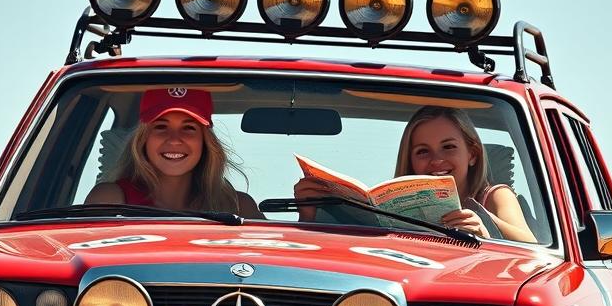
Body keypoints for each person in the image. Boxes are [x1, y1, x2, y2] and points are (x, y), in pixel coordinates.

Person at [293, 105, 535, 242]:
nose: (437, 160)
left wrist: (484, 229)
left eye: (448, 147)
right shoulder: (393, 202)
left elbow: (532, 246)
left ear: (472, 154)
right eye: (422, 152)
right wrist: (308, 212)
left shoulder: (493, 195)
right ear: (409, 160)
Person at [86, 88, 261, 218]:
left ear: (205, 141)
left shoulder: (237, 206)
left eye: (188, 128)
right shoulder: (110, 201)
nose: (174, 140)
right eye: (161, 127)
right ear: (143, 139)